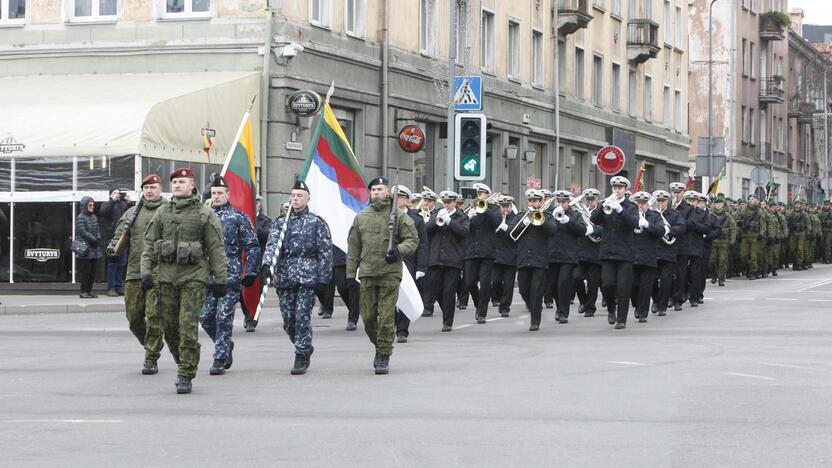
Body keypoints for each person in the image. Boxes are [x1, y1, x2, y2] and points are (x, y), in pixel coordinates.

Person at [141, 167, 228, 394]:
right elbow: (149, 244)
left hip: (194, 277)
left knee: (187, 325)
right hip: (166, 277)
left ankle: (186, 373)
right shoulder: (162, 213)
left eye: (182, 181)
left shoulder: (204, 214)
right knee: (169, 327)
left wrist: (221, 279)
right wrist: (146, 273)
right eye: (175, 182)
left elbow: (216, 248)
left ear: (192, 185)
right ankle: (183, 361)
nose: (177, 185)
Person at [260, 180, 332, 375]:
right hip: (285, 277)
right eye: (293, 196)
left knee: (301, 317)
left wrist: (324, 279)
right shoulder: (280, 223)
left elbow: (325, 252)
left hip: (307, 277)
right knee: (288, 320)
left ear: (308, 198)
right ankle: (305, 344)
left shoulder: (316, 222)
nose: (296, 199)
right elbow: (272, 247)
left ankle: (301, 354)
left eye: (300, 195)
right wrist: (267, 265)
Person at [347, 177, 418, 374]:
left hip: (390, 273)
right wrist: (350, 274)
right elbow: (353, 247)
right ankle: (380, 345)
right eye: (373, 190)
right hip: (368, 272)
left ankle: (383, 354)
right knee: (368, 317)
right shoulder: (361, 217)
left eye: (380, 189)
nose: (376, 192)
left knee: (386, 315)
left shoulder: (399, 216)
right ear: (369, 193)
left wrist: (398, 250)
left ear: (387, 191)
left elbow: (412, 239)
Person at [106, 173, 169, 374]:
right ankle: (152, 344)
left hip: (159, 272)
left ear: (161, 189)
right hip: (134, 271)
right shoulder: (132, 213)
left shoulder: (169, 211)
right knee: (133, 317)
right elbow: (119, 236)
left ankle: (151, 357)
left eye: (153, 187)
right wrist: (113, 248)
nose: (149, 191)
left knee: (154, 316)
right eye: (146, 188)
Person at [199, 176, 260, 376]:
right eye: (213, 193)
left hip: (229, 274)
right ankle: (225, 344)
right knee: (206, 318)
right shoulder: (203, 216)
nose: (216, 196)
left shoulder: (237, 217)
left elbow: (251, 246)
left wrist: (250, 271)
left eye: (219, 193)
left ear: (228, 195)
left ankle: (219, 357)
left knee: (223, 316)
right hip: (206, 274)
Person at [590, 176, 639, 329]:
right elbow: (594, 219)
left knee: (624, 287)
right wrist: (602, 205)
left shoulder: (631, 206)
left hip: (625, 253)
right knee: (607, 284)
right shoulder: (606, 204)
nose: (617, 190)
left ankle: (621, 319)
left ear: (625, 190)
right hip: (608, 251)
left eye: (620, 188)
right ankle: (611, 308)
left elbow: (634, 223)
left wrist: (620, 209)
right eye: (615, 188)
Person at [425, 191, 470, 332]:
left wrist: (450, 221)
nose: (446, 205)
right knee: (435, 290)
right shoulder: (436, 214)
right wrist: (435, 219)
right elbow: (425, 231)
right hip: (435, 258)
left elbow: (463, 232)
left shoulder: (462, 217)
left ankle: (447, 322)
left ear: (455, 203)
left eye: (449, 202)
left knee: (449, 292)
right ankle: (447, 311)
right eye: (444, 202)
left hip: (453, 259)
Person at [514, 189, 556, 331]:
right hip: (523, 258)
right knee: (524, 289)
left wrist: (540, 219)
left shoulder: (547, 216)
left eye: (535, 201)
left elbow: (553, 231)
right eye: (530, 201)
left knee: (537, 291)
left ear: (541, 202)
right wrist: (524, 222)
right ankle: (533, 307)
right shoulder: (521, 216)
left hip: (540, 259)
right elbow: (511, 233)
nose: (532, 203)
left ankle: (535, 321)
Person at [392, 185, 428, 344]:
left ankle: (402, 330)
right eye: (394, 197)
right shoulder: (386, 216)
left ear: (406, 200)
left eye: (400, 197)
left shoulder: (416, 219)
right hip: (389, 262)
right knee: (389, 296)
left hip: (409, 262)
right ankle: (392, 322)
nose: (396, 200)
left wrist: (421, 267)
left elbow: (422, 245)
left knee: (405, 295)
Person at [463, 183, 501, 324]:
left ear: (487, 195)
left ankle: (482, 313)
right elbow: (462, 228)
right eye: (477, 194)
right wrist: (469, 216)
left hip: (487, 251)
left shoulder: (494, 209)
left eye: (481, 193)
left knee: (485, 283)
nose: (479, 196)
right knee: (469, 282)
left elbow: (497, 222)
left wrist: (484, 209)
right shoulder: (469, 210)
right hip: (471, 251)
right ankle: (479, 304)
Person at [548, 190, 587, 324]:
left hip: (568, 256)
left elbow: (582, 231)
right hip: (552, 255)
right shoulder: (549, 214)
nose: (561, 204)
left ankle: (564, 312)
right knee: (553, 285)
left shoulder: (575, 215)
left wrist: (567, 221)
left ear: (569, 202)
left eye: (564, 202)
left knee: (563, 283)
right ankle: (559, 306)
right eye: (559, 201)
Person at [629, 191, 665, 323]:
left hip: (648, 257)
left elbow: (661, 231)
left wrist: (648, 225)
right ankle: (636, 305)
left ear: (648, 204)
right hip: (632, 256)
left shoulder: (655, 216)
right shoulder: (630, 216)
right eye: (638, 203)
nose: (641, 205)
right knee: (633, 285)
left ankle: (642, 312)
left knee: (646, 286)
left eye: (643, 203)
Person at [651, 190, 686, 316]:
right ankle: (655, 300)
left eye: (663, 200)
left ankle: (662, 306)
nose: (660, 203)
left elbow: (682, 228)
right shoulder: (651, 214)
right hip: (653, 251)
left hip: (668, 251)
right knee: (652, 280)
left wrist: (668, 230)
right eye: (658, 200)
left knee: (666, 282)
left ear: (667, 201)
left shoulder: (674, 215)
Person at [243, 195, 272, 332]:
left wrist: (255, 226)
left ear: (259, 205)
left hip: (259, 259)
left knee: (256, 290)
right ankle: (247, 313)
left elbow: (267, 236)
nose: (254, 205)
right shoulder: (241, 218)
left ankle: (251, 319)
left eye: (256, 203)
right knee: (241, 292)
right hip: (243, 259)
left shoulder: (265, 220)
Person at [574, 189, 603, 317]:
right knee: (576, 277)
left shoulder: (602, 211)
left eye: (593, 199)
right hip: (580, 251)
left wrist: (593, 230)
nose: (590, 202)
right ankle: (584, 301)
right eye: (588, 199)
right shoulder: (579, 213)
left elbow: (604, 229)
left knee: (593, 283)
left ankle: (590, 308)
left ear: (597, 199)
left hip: (596, 252)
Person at [99, 188, 131, 297]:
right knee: (113, 263)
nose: (118, 195)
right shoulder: (108, 204)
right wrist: (112, 200)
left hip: (123, 237)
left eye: (119, 193)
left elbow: (131, 216)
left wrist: (129, 203)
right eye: (115, 193)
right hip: (112, 238)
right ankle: (111, 288)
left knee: (122, 264)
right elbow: (103, 212)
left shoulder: (123, 205)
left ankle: (118, 287)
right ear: (110, 194)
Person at [491, 196, 518, 318]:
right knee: (495, 282)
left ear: (511, 206)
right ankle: (497, 297)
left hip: (510, 256)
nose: (505, 209)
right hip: (496, 256)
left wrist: (504, 227)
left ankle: (505, 307)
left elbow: (515, 234)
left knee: (508, 284)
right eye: (503, 206)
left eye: (507, 206)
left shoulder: (516, 218)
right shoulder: (495, 217)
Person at [669, 182, 694, 310]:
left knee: (680, 273)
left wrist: (676, 220)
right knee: (668, 272)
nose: (676, 195)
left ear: (683, 193)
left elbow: (690, 225)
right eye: (674, 192)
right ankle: (669, 296)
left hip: (682, 245)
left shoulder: (688, 208)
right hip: (667, 244)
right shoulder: (667, 205)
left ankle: (678, 299)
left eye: (678, 192)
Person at [76, 195, 102, 298]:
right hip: (85, 249)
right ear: (85, 206)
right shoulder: (80, 217)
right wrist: (94, 239)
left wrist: (98, 238)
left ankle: (89, 290)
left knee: (92, 272)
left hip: (94, 248)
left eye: (93, 205)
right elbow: (82, 231)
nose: (92, 207)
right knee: (85, 272)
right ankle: (83, 291)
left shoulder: (94, 217)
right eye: (90, 205)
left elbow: (98, 229)